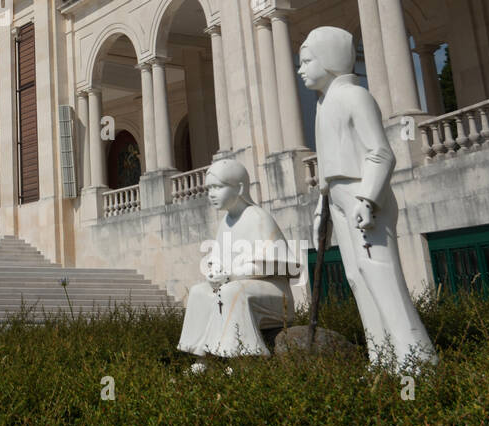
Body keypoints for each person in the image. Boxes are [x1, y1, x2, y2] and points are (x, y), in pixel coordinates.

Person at [298, 26, 437, 368]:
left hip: (363, 196)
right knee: (357, 277)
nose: (300, 69)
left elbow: (381, 153)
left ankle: (417, 359)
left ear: (329, 61)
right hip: (339, 198)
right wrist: (323, 204)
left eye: (306, 61)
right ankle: (383, 358)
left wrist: (368, 199)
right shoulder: (323, 103)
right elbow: (330, 167)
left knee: (380, 273)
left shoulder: (354, 97)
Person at [178, 158, 294, 365]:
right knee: (199, 291)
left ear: (240, 188)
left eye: (218, 187)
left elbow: (282, 264)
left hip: (274, 293)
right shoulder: (226, 222)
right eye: (209, 188)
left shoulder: (258, 217)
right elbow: (216, 261)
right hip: (235, 285)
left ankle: (243, 357)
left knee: (232, 291)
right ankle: (202, 357)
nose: (211, 194)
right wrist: (214, 274)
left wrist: (233, 274)